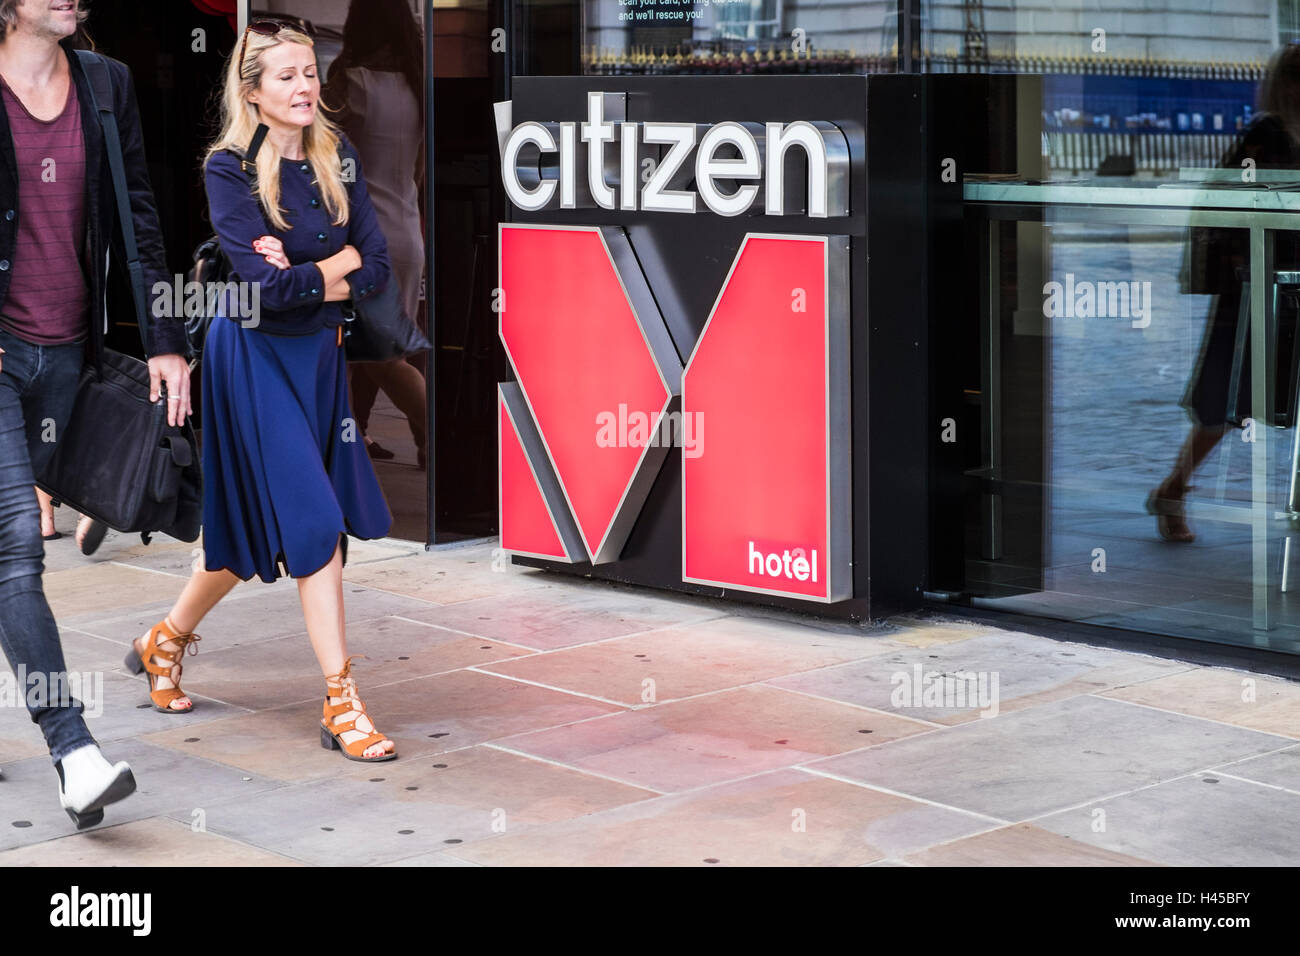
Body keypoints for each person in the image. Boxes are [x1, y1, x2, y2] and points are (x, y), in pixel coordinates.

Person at [125, 20, 397, 761]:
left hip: (319, 361)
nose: (306, 86)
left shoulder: (336, 153)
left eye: (310, 72)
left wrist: (314, 272)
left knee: (234, 540)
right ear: (254, 92)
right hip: (251, 360)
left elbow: (377, 263)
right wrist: (326, 269)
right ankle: (342, 700)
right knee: (313, 520)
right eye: (287, 76)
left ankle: (165, 640)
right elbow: (266, 292)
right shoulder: (229, 168)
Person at [0, 0, 191, 827]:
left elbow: (139, 215)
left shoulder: (104, 83)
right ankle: (73, 749)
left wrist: (163, 339)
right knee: (16, 543)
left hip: (68, 354)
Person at [1152, 44, 1300, 541]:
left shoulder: (1276, 134)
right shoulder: (1266, 134)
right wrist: (1240, 264)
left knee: (1234, 400)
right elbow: (1229, 201)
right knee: (1222, 402)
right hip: (1258, 288)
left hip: (1280, 285)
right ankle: (1173, 490)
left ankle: (1173, 491)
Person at [323, 0, 427, 470]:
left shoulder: (353, 84)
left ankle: (434, 437)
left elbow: (319, 154)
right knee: (367, 347)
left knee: (383, 353)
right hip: (407, 230)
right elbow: (419, 172)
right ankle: (358, 435)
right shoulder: (416, 89)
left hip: (368, 238)